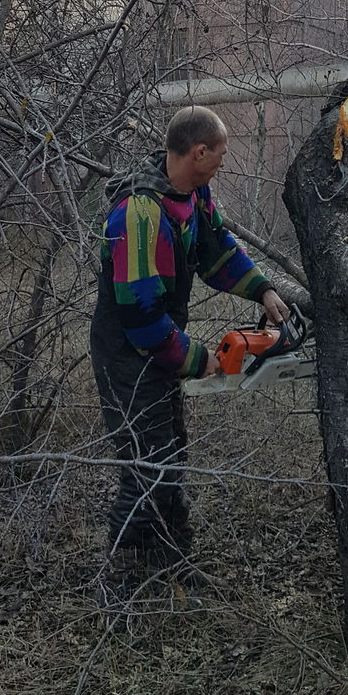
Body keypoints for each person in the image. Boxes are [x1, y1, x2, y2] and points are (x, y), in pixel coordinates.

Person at [90, 105, 288, 564]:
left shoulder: (193, 196)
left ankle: (171, 565)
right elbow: (140, 317)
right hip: (127, 351)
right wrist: (199, 360)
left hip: (158, 342)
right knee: (148, 468)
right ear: (198, 152)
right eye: (219, 153)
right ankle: (120, 578)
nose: (222, 160)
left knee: (171, 454)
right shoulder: (138, 214)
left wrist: (262, 290)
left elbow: (217, 249)